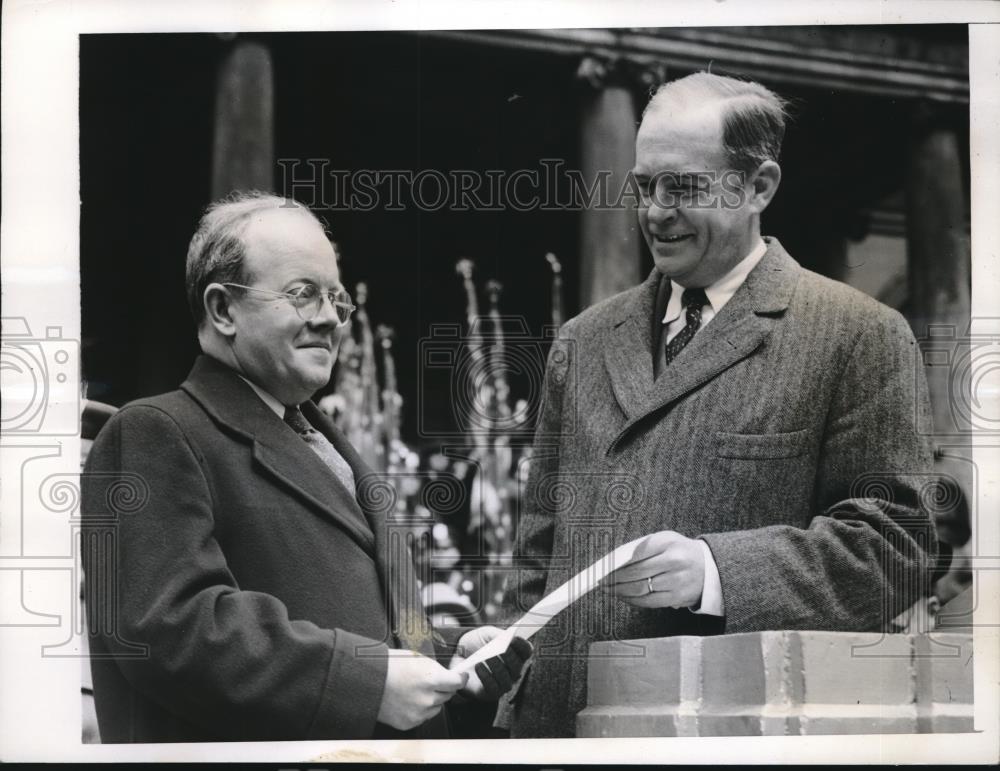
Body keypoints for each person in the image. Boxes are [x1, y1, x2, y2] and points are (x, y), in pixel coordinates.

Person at [498, 72, 936, 737]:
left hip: (716, 735)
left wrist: (714, 570)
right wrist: (508, 658)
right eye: (646, 185)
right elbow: (540, 549)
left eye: (685, 187)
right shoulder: (581, 342)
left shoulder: (859, 334)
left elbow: (894, 548)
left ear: (759, 186)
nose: (655, 211)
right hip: (558, 732)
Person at [81, 192, 528, 742]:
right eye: (302, 295)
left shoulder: (333, 449)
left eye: (337, 299)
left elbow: (374, 634)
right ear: (223, 310)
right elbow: (169, 628)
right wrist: (367, 680)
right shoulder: (154, 432)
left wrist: (449, 661)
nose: (328, 319)